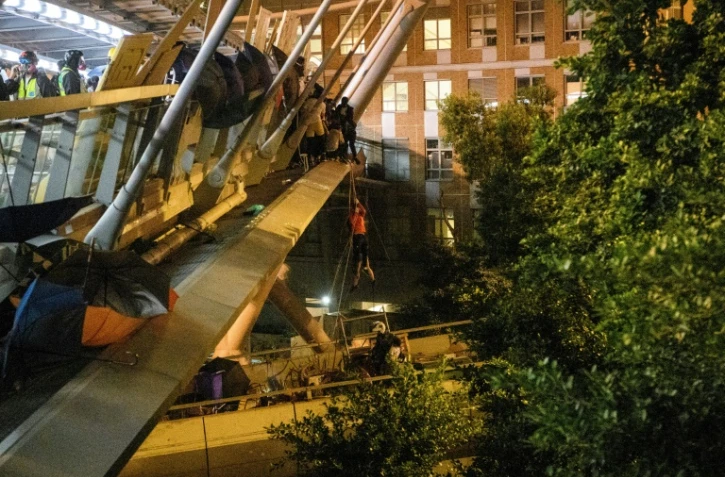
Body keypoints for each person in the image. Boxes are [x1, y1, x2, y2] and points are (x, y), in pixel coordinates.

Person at [349, 197, 375, 291]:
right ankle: (355, 285)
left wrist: (358, 203)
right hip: (359, 237)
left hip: (361, 237)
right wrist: (355, 211)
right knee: (359, 267)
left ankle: (373, 281)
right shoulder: (353, 215)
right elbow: (352, 222)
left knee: (365, 264)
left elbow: (363, 210)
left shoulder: (360, 215)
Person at [337, 96, 359, 164]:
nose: (343, 103)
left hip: (349, 129)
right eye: (342, 101)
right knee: (345, 143)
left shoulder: (350, 109)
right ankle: (344, 156)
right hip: (343, 128)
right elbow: (336, 115)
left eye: (344, 102)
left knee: (351, 144)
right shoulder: (339, 107)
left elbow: (350, 118)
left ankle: (355, 157)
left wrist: (344, 118)